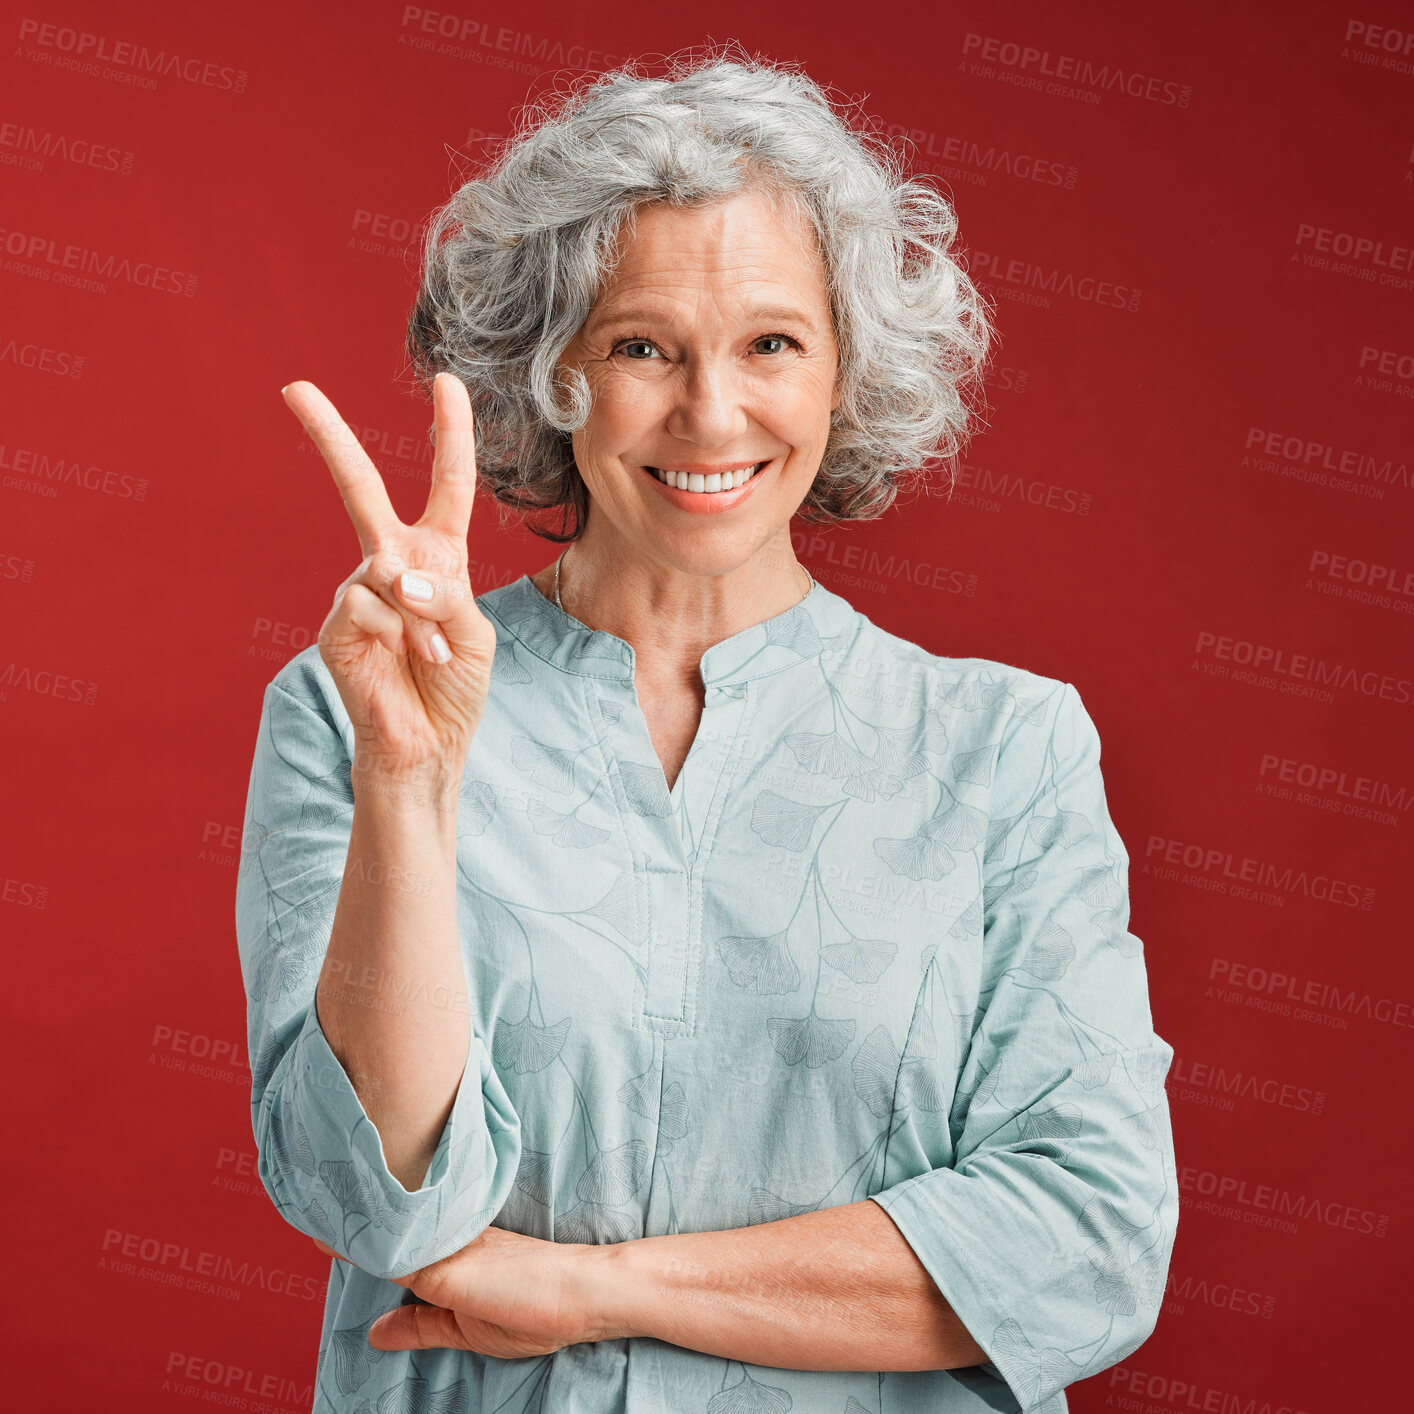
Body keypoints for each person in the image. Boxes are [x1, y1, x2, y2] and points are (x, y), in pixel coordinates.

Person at [236, 47, 1177, 1414]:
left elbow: (1085, 1248)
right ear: (552, 370)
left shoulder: (1006, 750)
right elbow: (367, 1201)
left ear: (846, 367)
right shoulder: (352, 701)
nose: (710, 412)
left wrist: (594, 1289)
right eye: (640, 347)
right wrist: (408, 783)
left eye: (771, 345)